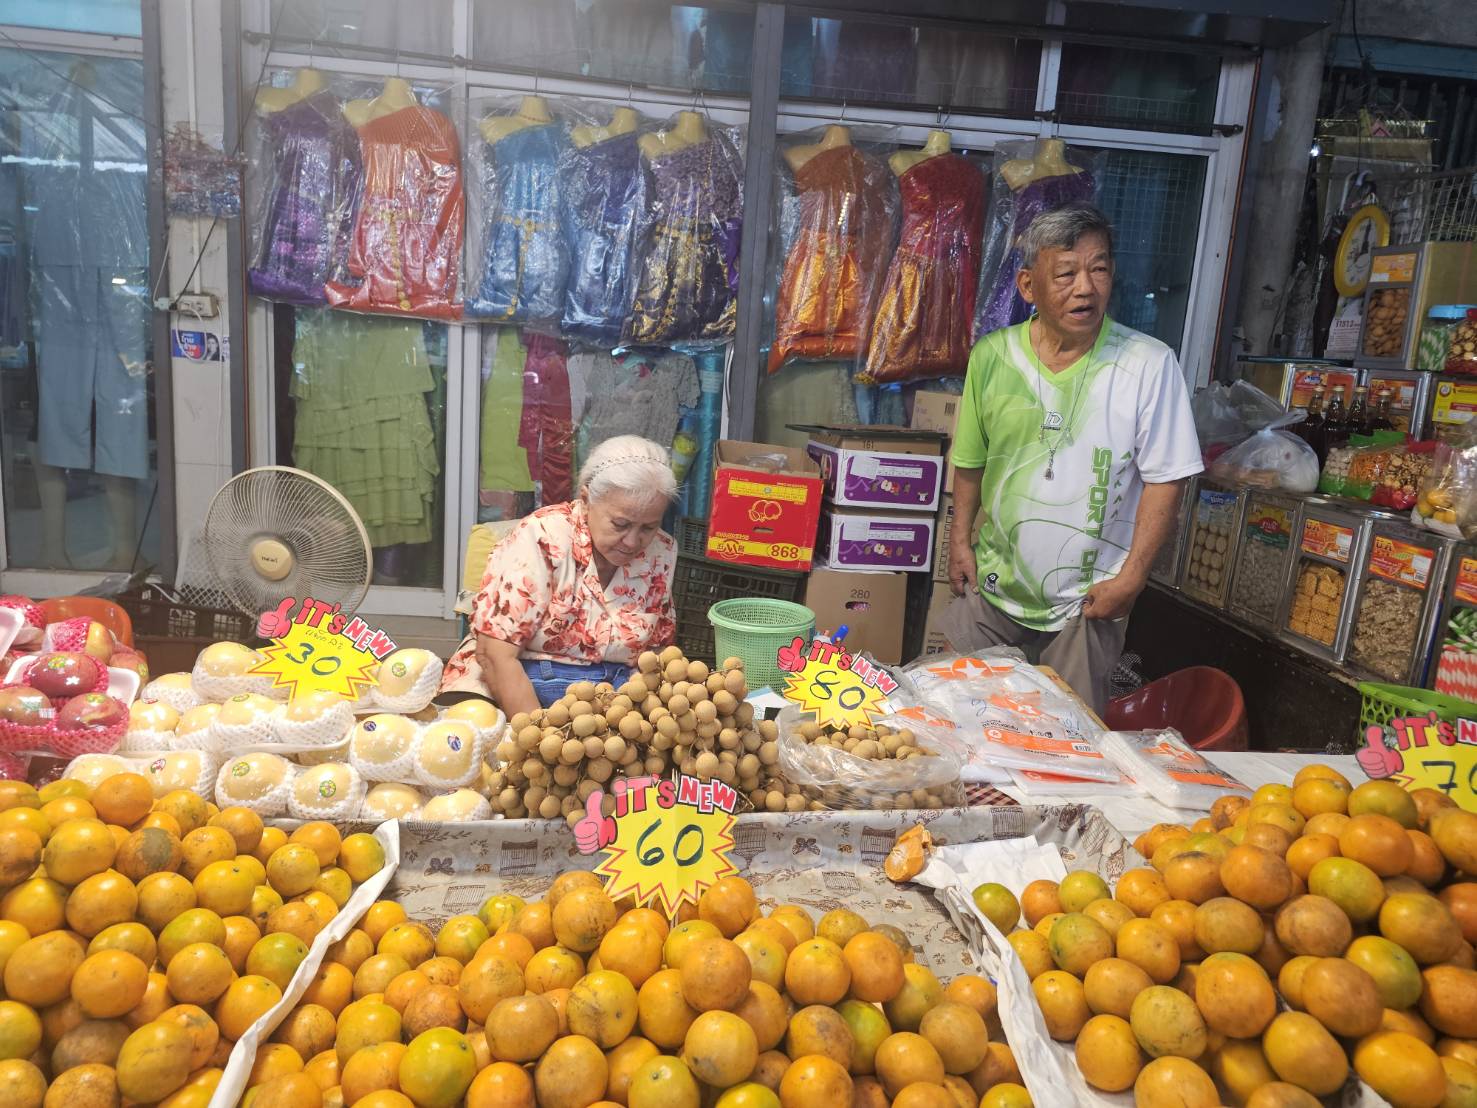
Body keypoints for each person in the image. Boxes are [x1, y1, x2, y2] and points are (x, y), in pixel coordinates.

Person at [942, 203, 1202, 712]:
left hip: (1088, 602)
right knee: (960, 720)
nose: (1085, 288)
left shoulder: (1148, 365)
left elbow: (1167, 480)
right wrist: (959, 543)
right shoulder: (992, 356)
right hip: (994, 586)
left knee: (1066, 739)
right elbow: (970, 462)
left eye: (1098, 269)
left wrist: (1132, 578)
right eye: (1065, 274)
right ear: (1028, 286)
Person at [441, 434, 678, 713]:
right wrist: (539, 732)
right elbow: (495, 655)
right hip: (521, 685)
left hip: (609, 699)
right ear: (586, 500)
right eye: (620, 524)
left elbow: (657, 654)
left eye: (648, 527)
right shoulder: (543, 537)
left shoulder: (661, 551)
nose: (632, 541)